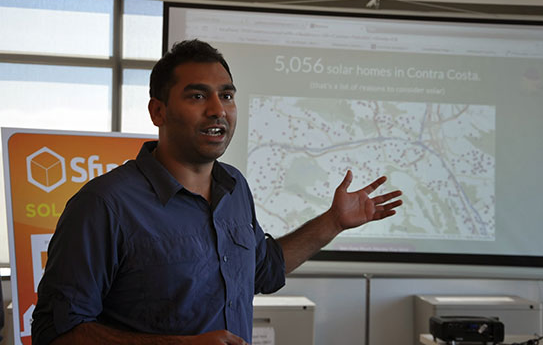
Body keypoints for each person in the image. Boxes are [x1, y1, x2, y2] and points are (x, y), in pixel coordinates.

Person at [31, 40, 403, 345]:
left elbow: (263, 271)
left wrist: (333, 222)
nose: (217, 110)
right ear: (157, 111)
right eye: (197, 97)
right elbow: (56, 332)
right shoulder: (104, 205)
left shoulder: (235, 187)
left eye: (226, 96)